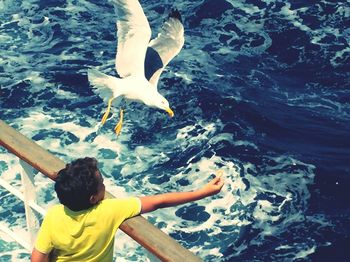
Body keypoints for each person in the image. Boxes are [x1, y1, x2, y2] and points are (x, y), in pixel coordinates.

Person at [31, 157, 224, 262]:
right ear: (93, 198)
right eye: (102, 184)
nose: (105, 186)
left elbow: (38, 257)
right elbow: (159, 201)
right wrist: (203, 192)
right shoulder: (111, 210)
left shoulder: (54, 216)